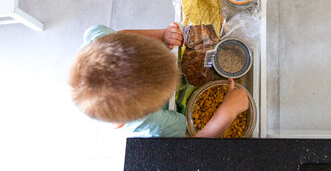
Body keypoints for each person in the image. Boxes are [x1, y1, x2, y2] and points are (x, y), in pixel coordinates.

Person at [69, 23, 248, 138]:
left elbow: (121, 35)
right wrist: (226, 114)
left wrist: (161, 35)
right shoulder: (153, 125)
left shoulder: (98, 38)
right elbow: (190, 149)